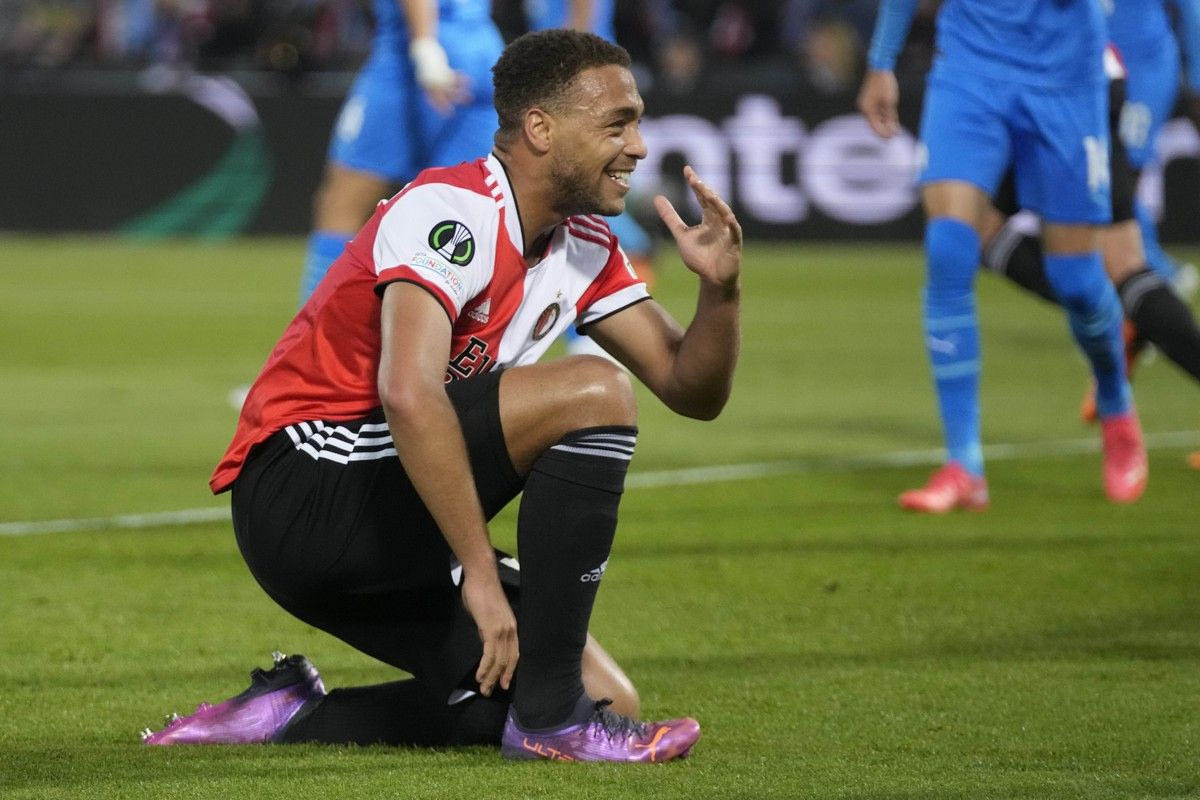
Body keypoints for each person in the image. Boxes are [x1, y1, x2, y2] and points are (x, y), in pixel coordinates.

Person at [142, 28, 742, 762]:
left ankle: (289, 714)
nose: (639, 148)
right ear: (541, 128)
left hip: (391, 520)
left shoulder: (584, 244)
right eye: (617, 125)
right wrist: (479, 575)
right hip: (306, 488)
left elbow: (691, 388)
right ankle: (555, 726)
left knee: (603, 692)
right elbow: (406, 391)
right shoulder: (451, 211)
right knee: (595, 391)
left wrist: (721, 293)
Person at [857, 0, 1148, 512]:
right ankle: (964, 465)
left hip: (1064, 79)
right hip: (969, 67)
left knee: (1077, 281)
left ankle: (1114, 399)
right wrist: (882, 61)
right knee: (948, 251)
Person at [981, 46, 1200, 428]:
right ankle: (1123, 309)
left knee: (970, 225)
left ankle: (1117, 310)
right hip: (1085, 77)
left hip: (1049, 82)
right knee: (1126, 267)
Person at [297, 0, 504, 303]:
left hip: (408, 66)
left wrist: (425, 48)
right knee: (471, 213)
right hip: (483, 56)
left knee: (345, 203)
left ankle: (315, 326)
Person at [525, 0, 660, 361]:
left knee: (578, 199)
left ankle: (596, 331)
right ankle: (592, 331)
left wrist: (568, 73)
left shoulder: (576, 62)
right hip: (578, 79)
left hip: (582, 84)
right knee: (576, 208)